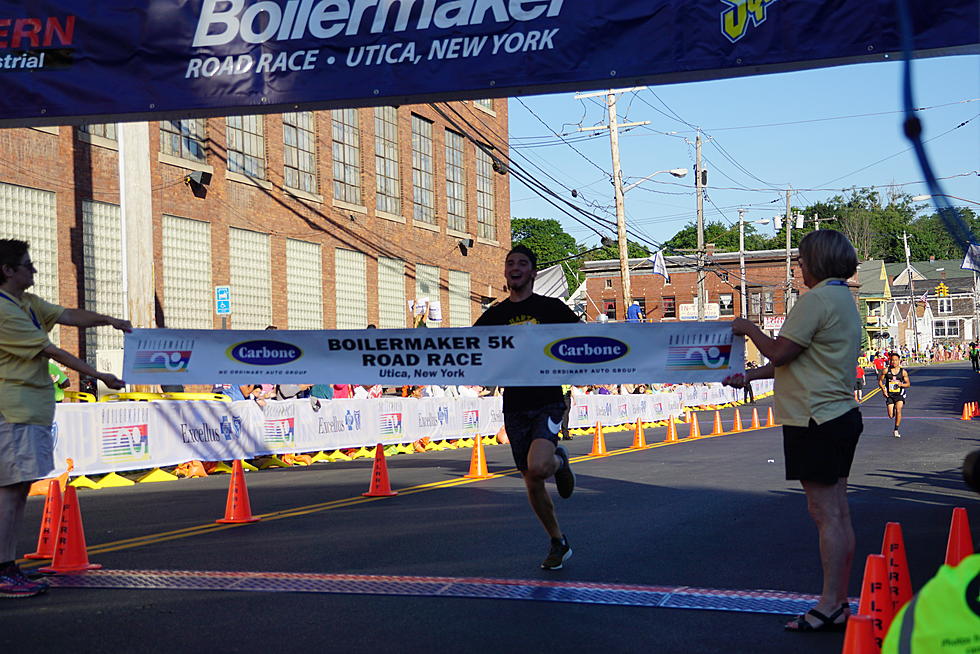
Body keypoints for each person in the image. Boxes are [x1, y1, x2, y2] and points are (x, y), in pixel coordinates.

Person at [723, 230, 862, 633]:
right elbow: (797, 361)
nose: (798, 266)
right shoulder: (842, 299)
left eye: (801, 260)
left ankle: (830, 604)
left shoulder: (814, 300)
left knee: (825, 515)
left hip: (814, 418)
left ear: (817, 261)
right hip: (838, 413)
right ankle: (837, 600)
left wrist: (748, 327)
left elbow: (781, 351)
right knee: (837, 510)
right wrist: (750, 375)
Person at [0, 239, 129, 598]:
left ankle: (7, 567)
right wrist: (100, 376)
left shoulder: (24, 302)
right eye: (27, 264)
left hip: (29, 408)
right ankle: (3, 570)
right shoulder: (4, 310)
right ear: (7, 270)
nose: (34, 270)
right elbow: (51, 350)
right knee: (9, 492)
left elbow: (68, 315)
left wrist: (109, 320)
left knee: (17, 489)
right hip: (13, 410)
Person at [474, 245, 579, 570]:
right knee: (531, 480)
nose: (515, 267)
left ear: (533, 272)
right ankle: (557, 541)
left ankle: (559, 461)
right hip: (514, 405)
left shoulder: (552, 308)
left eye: (522, 263)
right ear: (505, 273)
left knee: (538, 466)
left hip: (547, 400)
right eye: (510, 263)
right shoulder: (495, 315)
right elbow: (467, 347)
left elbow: (587, 338)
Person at [878, 352, 910, 438]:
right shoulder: (886, 371)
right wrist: (883, 389)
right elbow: (880, 381)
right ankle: (894, 411)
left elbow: (908, 384)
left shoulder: (903, 372)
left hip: (899, 394)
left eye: (896, 360)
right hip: (890, 395)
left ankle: (896, 429)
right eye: (892, 360)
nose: (894, 362)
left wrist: (901, 384)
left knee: (898, 410)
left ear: (899, 361)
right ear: (890, 361)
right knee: (891, 415)